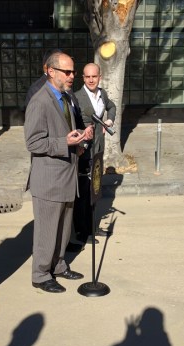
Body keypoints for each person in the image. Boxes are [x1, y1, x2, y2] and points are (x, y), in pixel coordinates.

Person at [25, 51, 94, 293]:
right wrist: (64, 142)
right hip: (49, 180)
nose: (72, 76)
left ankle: (58, 264)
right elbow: (33, 143)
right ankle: (41, 273)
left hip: (68, 175)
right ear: (51, 71)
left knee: (64, 228)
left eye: (73, 71)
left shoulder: (66, 98)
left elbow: (69, 133)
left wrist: (82, 140)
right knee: (47, 231)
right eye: (68, 71)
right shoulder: (39, 101)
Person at [72, 62, 117, 246]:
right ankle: (82, 232)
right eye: (87, 76)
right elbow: (72, 124)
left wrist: (109, 120)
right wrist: (81, 139)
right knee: (82, 192)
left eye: (94, 76)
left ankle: (92, 226)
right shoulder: (75, 98)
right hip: (84, 150)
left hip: (99, 149)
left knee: (95, 189)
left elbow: (112, 107)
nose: (91, 80)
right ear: (83, 78)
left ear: (99, 77)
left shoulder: (103, 94)